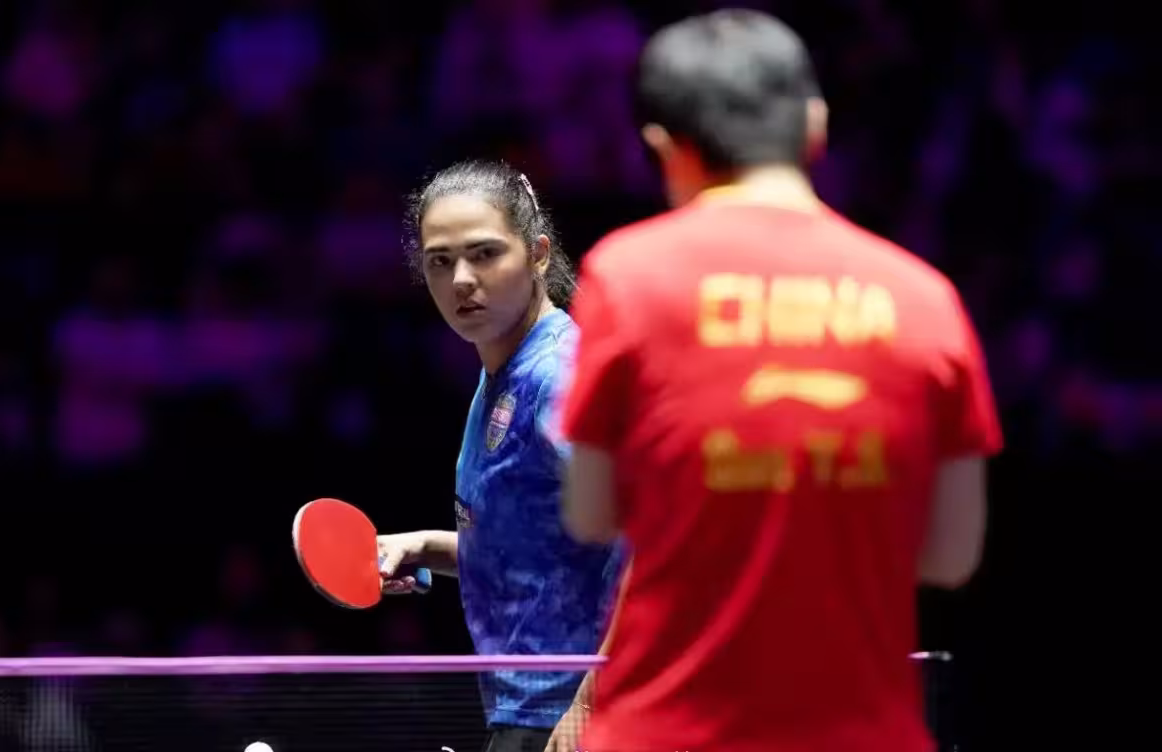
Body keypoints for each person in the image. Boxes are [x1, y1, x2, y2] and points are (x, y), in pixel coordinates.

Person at [558, 9, 1002, 752]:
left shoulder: (626, 277)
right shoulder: (926, 298)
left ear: (666, 149)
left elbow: (593, 513)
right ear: (815, 128)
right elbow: (950, 556)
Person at [377, 159, 624, 752]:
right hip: (530, 709)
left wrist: (592, 701)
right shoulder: (504, 371)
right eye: (440, 262)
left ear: (538, 254)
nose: (461, 279)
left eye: (484, 254)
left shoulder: (556, 377)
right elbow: (542, 550)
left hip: (570, 716)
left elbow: (650, 540)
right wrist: (425, 546)